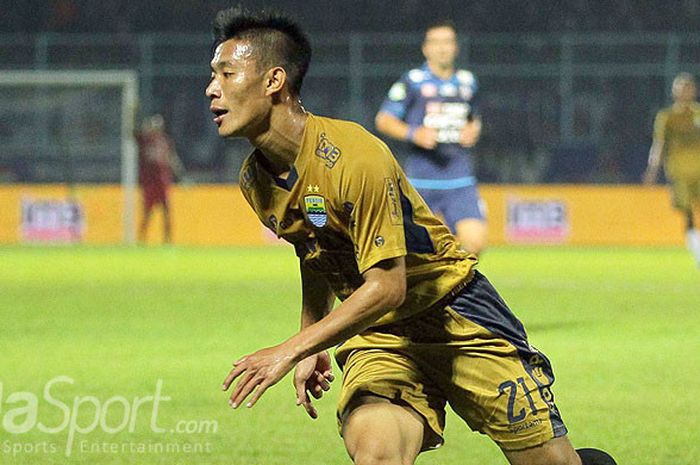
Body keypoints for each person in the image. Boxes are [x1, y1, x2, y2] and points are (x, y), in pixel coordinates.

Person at [207, 6, 616, 465]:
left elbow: (388, 285)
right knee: (377, 452)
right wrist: (312, 343)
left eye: (226, 73)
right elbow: (316, 250)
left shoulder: (353, 156)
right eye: (213, 75)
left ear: (274, 81)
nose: (212, 88)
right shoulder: (255, 179)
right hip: (380, 334)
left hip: (457, 317)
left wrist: (288, 350)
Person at [375, 20, 487, 255]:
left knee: (475, 243)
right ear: (426, 48)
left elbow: (473, 118)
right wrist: (413, 133)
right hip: (421, 180)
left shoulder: (468, 82)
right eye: (436, 42)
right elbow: (383, 119)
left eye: (447, 42)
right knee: (416, 251)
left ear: (455, 47)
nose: (442, 48)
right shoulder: (413, 82)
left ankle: (454, 288)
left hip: (459, 179)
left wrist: (474, 129)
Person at [643, 72, 700, 265]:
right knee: (687, 210)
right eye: (681, 87)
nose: (685, 91)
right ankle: (695, 247)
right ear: (674, 91)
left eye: (688, 87)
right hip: (680, 173)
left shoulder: (698, 114)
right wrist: (652, 169)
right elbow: (658, 144)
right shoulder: (667, 117)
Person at [135, 114, 185, 244]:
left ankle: (168, 240)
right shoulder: (145, 140)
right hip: (150, 182)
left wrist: (181, 176)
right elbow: (133, 133)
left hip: (163, 181)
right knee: (147, 212)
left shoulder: (165, 141)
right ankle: (142, 238)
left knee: (167, 211)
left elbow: (172, 159)